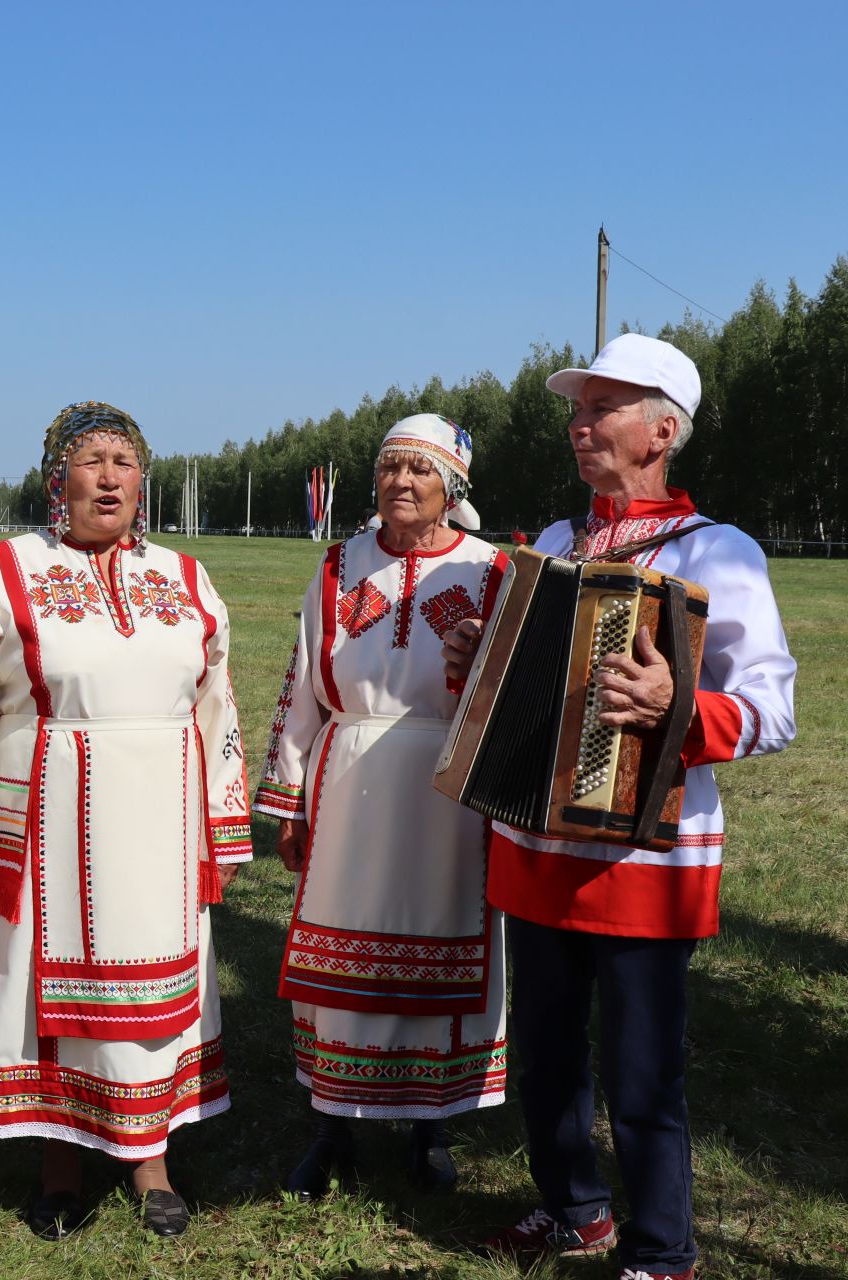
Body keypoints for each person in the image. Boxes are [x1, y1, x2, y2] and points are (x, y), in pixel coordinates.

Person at [444, 334, 796, 1280]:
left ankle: (663, 1249)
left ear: (662, 430)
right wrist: (483, 654)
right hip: (535, 838)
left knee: (644, 1073)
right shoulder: (554, 544)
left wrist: (676, 709)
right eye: (579, 408)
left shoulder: (720, 552)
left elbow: (772, 706)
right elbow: (526, 676)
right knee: (546, 1060)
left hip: (647, 858)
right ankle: (574, 1211)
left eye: (603, 408)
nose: (580, 424)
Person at [0, 402, 253, 1240]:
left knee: (155, 986)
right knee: (45, 998)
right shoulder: (6, 570)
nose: (109, 476)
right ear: (54, 479)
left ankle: (151, 1162)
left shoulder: (186, 576)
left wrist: (225, 817)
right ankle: (60, 1164)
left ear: (145, 480)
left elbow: (218, 705)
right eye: (91, 460)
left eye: (124, 461)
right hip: (48, 820)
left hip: (162, 827)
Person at [255, 415, 511, 1198]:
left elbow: (512, 690)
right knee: (344, 955)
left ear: (452, 489)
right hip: (349, 780)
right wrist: (289, 797)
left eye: (420, 472)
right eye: (390, 468)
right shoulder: (339, 567)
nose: (402, 482)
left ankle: (432, 1129)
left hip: (449, 790)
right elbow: (304, 685)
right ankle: (333, 1122)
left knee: (445, 941)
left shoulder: (494, 571)